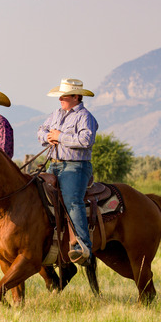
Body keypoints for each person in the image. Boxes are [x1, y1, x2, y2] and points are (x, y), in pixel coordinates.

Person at [37, 78, 99, 265]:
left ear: (76, 97)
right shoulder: (56, 114)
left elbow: (86, 140)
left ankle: (82, 246)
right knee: (39, 196)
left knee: (72, 201)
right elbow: (41, 130)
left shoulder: (85, 117)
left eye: (64, 96)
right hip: (54, 164)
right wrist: (48, 137)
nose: (60, 99)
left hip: (76, 166)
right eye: (60, 95)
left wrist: (60, 137)